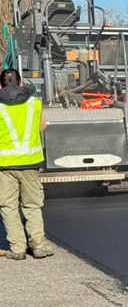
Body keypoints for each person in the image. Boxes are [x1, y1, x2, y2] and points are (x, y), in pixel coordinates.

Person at [0, 68, 53, 260]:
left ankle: (18, 248)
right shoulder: (34, 103)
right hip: (30, 164)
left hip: (4, 166)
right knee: (31, 206)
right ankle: (38, 246)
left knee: (8, 206)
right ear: (21, 83)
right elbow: (41, 127)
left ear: (1, 84)